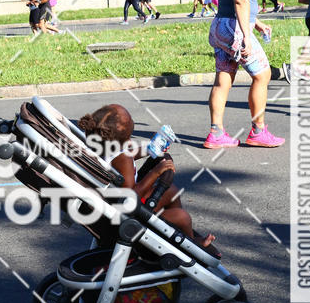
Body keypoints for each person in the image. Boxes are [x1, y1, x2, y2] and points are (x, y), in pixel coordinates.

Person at [78, 104, 215, 249]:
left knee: (171, 191)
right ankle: (191, 245)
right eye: (129, 119)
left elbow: (130, 154)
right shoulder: (123, 159)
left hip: (119, 202)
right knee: (182, 216)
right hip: (132, 211)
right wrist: (155, 172)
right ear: (124, 133)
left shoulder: (105, 147)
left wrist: (150, 149)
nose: (132, 119)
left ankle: (178, 229)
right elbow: (131, 197)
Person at [204, 0, 285, 149]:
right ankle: (258, 131)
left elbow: (233, 1)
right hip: (235, 29)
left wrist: (255, 23)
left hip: (221, 26)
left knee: (223, 78)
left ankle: (216, 133)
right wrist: (247, 36)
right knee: (263, 74)